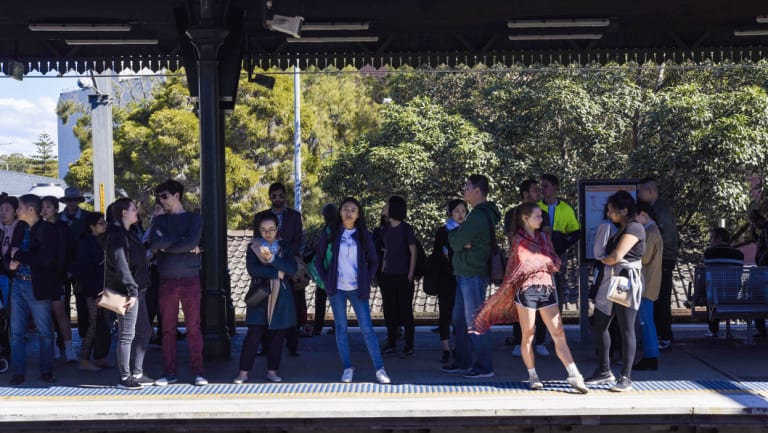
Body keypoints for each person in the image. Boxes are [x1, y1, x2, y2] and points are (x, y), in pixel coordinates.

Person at [472, 202, 588, 393]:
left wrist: (544, 261)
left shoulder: (544, 237)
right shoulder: (519, 239)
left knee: (558, 332)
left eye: (541, 216)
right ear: (525, 218)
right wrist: (544, 261)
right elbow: (529, 262)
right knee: (529, 334)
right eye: (537, 216)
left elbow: (554, 261)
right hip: (526, 290)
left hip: (546, 287)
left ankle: (575, 374)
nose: (541, 219)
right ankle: (533, 375)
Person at [313, 197, 391, 384]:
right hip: (336, 289)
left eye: (353, 210)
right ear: (340, 212)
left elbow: (374, 260)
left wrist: (366, 278)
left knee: (367, 329)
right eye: (345, 209)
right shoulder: (330, 232)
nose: (348, 212)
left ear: (358, 215)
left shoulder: (363, 234)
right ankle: (347, 367)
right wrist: (327, 281)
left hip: (357, 288)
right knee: (341, 328)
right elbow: (318, 259)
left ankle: (380, 369)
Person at [441, 174, 500, 379]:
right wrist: (461, 238)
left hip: (472, 273)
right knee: (459, 319)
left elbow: (455, 243)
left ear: (477, 191)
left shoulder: (477, 216)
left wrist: (454, 234)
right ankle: (462, 361)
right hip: (465, 272)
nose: (464, 190)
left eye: (467, 187)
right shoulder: (481, 215)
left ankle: (484, 366)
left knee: (475, 321)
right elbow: (461, 242)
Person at [149, 180, 207, 387]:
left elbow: (190, 242)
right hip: (166, 279)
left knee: (193, 327)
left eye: (164, 196)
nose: (161, 201)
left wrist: (168, 245)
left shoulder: (194, 219)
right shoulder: (158, 221)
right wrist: (180, 243)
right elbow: (155, 243)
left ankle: (198, 371)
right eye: (158, 197)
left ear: (177, 195)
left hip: (190, 278)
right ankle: (169, 372)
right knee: (167, 329)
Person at [586, 191, 645, 392]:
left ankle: (626, 377)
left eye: (613, 210)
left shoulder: (635, 228)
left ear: (624, 210)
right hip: (612, 278)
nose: (609, 214)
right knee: (600, 323)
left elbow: (616, 256)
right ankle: (604, 370)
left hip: (626, 280)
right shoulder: (619, 228)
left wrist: (603, 259)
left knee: (626, 327)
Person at [234, 212, 298, 384]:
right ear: (258, 230)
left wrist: (274, 259)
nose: (267, 233)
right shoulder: (253, 246)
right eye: (263, 230)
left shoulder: (285, 247)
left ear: (277, 229)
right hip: (260, 293)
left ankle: (272, 371)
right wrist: (277, 272)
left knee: (277, 336)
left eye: (271, 229)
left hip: (281, 296)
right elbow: (253, 270)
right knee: (253, 334)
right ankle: (243, 372)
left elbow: (292, 269)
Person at [6, 194, 59, 386]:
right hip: (18, 282)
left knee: (45, 331)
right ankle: (18, 372)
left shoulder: (48, 230)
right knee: (16, 332)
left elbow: (45, 259)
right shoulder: (19, 228)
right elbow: (10, 252)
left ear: (30, 210)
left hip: (36, 285)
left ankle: (47, 370)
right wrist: (10, 264)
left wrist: (19, 255)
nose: (16, 210)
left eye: (19, 207)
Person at [105, 198, 153, 390]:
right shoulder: (117, 235)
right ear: (124, 212)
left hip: (137, 288)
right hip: (127, 291)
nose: (136, 212)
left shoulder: (127, 233)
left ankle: (137, 372)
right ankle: (125, 377)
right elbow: (121, 265)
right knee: (127, 334)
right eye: (133, 209)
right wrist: (132, 290)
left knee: (144, 330)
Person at [254, 182, 304, 355]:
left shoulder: (295, 216)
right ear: (269, 197)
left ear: (285, 196)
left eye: (280, 195)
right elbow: (257, 240)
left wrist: (286, 254)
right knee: (267, 307)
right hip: (267, 266)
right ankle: (266, 346)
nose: (277, 199)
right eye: (274, 196)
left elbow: (298, 239)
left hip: (289, 265)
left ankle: (292, 346)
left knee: (292, 307)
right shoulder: (261, 216)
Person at [504, 179, 552, 357]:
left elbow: (547, 234)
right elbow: (511, 237)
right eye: (534, 190)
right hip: (520, 264)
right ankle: (520, 340)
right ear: (525, 193)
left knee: (541, 302)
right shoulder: (512, 213)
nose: (538, 193)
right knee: (520, 303)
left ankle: (539, 341)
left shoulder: (543, 213)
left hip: (540, 264)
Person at [637, 178, 678, 350]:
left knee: (660, 298)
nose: (638, 195)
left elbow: (663, 237)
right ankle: (661, 334)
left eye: (640, 191)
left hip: (663, 260)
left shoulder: (660, 210)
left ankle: (664, 335)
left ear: (650, 191)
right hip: (663, 258)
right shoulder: (660, 208)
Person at [379, 195, 417, 359]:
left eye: (387, 204)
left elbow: (413, 252)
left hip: (403, 275)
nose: (384, 207)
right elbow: (386, 250)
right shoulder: (385, 229)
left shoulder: (406, 228)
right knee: (389, 310)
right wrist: (382, 269)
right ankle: (391, 342)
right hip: (388, 275)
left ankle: (409, 345)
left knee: (406, 311)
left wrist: (410, 273)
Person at [74, 212, 113, 371]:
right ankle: (84, 359)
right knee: (92, 324)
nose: (104, 225)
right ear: (92, 227)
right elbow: (85, 271)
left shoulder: (103, 241)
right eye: (101, 223)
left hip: (103, 290)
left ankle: (99, 357)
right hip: (92, 292)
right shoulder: (85, 244)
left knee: (104, 324)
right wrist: (95, 293)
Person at [41, 196, 78, 362]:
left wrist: (69, 270)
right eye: (43, 207)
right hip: (42, 276)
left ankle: (69, 347)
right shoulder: (38, 228)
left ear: (56, 209)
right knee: (45, 313)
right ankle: (53, 346)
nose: (45, 210)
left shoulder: (63, 228)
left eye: (48, 207)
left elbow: (71, 251)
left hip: (59, 276)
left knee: (60, 311)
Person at [58, 187, 93, 354]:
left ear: (79, 201)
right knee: (61, 305)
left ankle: (85, 336)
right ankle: (63, 341)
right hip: (62, 267)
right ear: (65, 202)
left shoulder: (87, 218)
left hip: (81, 267)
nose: (71, 203)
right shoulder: (57, 219)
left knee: (82, 303)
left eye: (74, 200)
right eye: (68, 200)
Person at [432, 199, 467, 364]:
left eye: (463, 211)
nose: (460, 214)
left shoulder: (469, 230)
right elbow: (439, 254)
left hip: (465, 276)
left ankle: (460, 346)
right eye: (456, 211)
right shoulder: (443, 231)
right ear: (450, 213)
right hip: (445, 277)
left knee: (461, 315)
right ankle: (446, 348)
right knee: (445, 313)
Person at [538, 174, 580, 306]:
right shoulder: (536, 206)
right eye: (541, 186)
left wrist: (563, 243)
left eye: (546, 186)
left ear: (555, 187)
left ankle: (558, 317)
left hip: (558, 253)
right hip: (539, 253)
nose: (542, 189)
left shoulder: (566, 209)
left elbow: (576, 232)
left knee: (559, 285)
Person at [633, 202, 663, 371]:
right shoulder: (653, 230)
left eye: (635, 216)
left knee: (646, 321)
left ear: (643, 214)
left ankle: (651, 355)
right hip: (649, 281)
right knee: (646, 320)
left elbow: (643, 258)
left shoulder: (650, 233)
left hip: (646, 282)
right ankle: (650, 355)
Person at [702, 227, 745, 338]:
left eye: (711, 238)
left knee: (711, 289)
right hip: (733, 294)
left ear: (719, 238)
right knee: (715, 289)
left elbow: (706, 276)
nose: (710, 241)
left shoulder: (709, 253)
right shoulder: (739, 254)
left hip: (714, 296)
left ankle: (713, 330)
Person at [310, 203, 338, 336]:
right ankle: (338, 326)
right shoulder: (341, 229)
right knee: (337, 301)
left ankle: (317, 327)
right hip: (337, 271)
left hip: (325, 270)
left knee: (320, 299)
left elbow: (320, 251)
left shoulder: (326, 231)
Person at [747, 210, 768, 337]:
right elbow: (760, 245)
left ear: (760, 219)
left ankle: (761, 329)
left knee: (756, 296)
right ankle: (761, 329)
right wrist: (753, 232)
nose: (754, 224)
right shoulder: (763, 230)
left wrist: (761, 263)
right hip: (763, 267)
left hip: (764, 268)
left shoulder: (767, 229)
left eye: (754, 222)